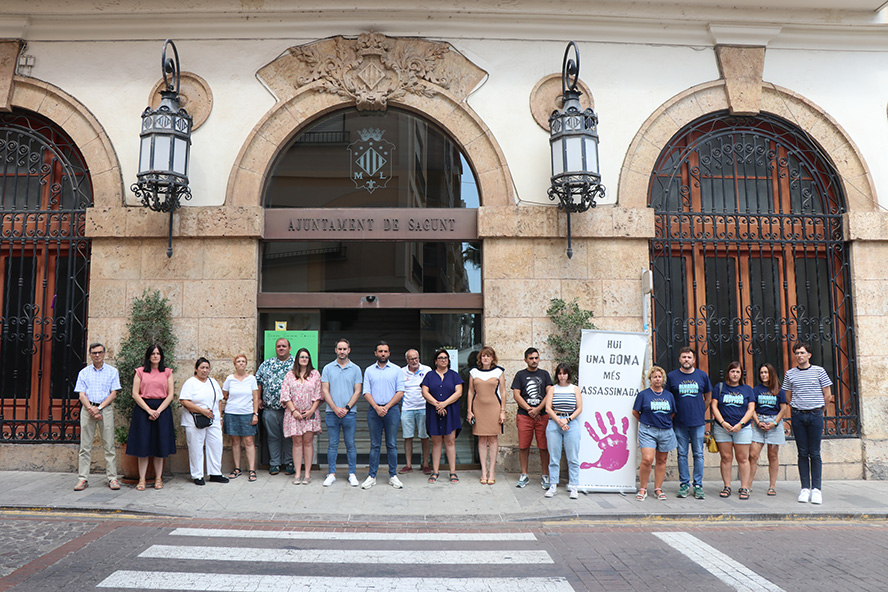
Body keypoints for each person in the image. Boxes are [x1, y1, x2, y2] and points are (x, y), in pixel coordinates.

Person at [783, 342, 833, 505]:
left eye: (802, 353)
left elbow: (827, 394)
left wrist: (820, 410)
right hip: (798, 415)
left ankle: (816, 489)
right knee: (802, 452)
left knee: (815, 453)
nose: (799, 356)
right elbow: (788, 396)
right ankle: (805, 488)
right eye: (797, 353)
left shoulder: (819, 371)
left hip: (815, 414)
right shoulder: (790, 374)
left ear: (809, 355)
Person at [126, 344, 176, 491]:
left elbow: (170, 394)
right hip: (143, 410)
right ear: (148, 356)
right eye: (153, 353)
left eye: (158, 353)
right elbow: (135, 393)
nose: (155, 356)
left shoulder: (167, 372)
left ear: (161, 356)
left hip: (162, 410)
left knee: (160, 445)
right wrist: (149, 410)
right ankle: (142, 479)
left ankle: (158, 478)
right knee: (143, 445)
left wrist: (158, 411)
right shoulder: (140, 372)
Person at [665, 346, 713, 499]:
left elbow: (708, 398)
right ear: (680, 359)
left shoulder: (702, 376)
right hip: (679, 422)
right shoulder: (672, 377)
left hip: (698, 422)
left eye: (689, 357)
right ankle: (684, 484)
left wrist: (699, 411)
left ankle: (698, 485)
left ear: (693, 360)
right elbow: (668, 398)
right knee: (682, 454)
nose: (686, 359)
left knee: (698, 453)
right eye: (684, 357)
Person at [73, 342, 121, 491]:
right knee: (85, 446)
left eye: (100, 352)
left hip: (104, 409)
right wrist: (91, 409)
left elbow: (114, 393)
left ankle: (112, 478)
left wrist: (99, 408)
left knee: (109, 445)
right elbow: (81, 394)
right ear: (90, 354)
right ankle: (83, 479)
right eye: (94, 353)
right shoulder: (84, 373)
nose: (97, 355)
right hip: (88, 409)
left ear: (104, 353)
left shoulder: (112, 371)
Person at [362, 341, 406, 489]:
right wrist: (376, 407)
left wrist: (386, 407)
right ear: (375, 353)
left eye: (385, 351)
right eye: (380, 351)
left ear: (389, 353)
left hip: (391, 410)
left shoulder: (397, 370)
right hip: (374, 410)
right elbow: (366, 392)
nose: (383, 354)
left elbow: (400, 392)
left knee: (392, 444)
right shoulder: (369, 370)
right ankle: (372, 476)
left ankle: (393, 475)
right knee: (375, 445)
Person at [179, 357, 229, 486]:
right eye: (202, 367)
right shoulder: (190, 383)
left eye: (207, 368)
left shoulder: (213, 382)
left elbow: (218, 400)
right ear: (196, 369)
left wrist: (219, 417)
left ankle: (215, 473)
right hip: (194, 420)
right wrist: (202, 411)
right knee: (196, 447)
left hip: (213, 419)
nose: (204, 370)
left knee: (216, 445)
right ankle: (198, 475)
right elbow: (184, 401)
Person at [321, 339, 362, 488]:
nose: (342, 351)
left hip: (350, 413)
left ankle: (352, 474)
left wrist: (346, 408)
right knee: (332, 444)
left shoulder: (356, 369)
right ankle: (331, 473)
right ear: (335, 350)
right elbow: (325, 390)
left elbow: (358, 391)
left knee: (350, 444)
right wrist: (335, 408)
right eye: (340, 349)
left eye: (345, 349)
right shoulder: (327, 368)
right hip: (332, 413)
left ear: (349, 350)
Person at [711, 361, 756, 500]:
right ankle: (727, 486)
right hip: (722, 428)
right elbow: (714, 406)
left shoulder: (747, 389)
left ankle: (744, 487)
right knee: (726, 458)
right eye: (732, 371)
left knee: (743, 458)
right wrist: (723, 422)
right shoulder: (719, 387)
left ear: (741, 374)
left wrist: (740, 424)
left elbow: (751, 409)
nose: (735, 374)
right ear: (728, 373)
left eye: (737, 372)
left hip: (742, 429)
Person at [632, 365, 676, 501]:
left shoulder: (669, 395)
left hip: (665, 431)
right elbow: (635, 412)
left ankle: (658, 488)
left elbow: (672, 413)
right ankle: (643, 488)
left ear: (663, 379)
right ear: (650, 379)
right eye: (654, 377)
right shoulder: (643, 395)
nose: (657, 379)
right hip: (648, 430)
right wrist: (647, 421)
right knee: (647, 459)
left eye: (659, 376)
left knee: (662, 460)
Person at [511, 347, 553, 489]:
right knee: (523, 446)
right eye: (531, 358)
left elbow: (549, 393)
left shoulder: (545, 374)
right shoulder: (520, 375)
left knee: (544, 447)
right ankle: (524, 474)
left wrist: (538, 409)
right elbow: (516, 395)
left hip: (542, 416)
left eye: (536, 358)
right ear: (525, 360)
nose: (534, 361)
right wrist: (529, 409)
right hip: (524, 415)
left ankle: (545, 475)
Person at [280, 348, 323, 485]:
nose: (304, 359)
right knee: (297, 443)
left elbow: (319, 394)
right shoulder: (290, 375)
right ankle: (298, 473)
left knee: (308, 443)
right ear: (297, 359)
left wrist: (311, 410)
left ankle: (308, 473)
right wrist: (293, 411)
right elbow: (285, 394)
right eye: (302, 357)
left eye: (307, 357)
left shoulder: (315, 374)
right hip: (294, 414)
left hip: (310, 413)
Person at [422, 348, 464, 484]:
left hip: (450, 411)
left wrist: (444, 404)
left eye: (445, 358)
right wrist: (437, 405)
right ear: (435, 361)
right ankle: (435, 471)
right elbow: (424, 392)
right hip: (434, 412)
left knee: (450, 441)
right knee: (436, 442)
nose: (443, 360)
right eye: (440, 358)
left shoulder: (454, 375)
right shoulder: (429, 375)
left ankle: (453, 472)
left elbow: (459, 392)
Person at [255, 338, 295, 476]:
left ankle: (290, 463)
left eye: (284, 346)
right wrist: (259, 398)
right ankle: (275, 464)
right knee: (273, 437)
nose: (281, 348)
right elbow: (258, 381)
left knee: (289, 437)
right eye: (278, 346)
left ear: (289, 348)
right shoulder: (267, 364)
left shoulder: (296, 363)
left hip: (290, 410)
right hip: (270, 408)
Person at [543, 362, 583, 499]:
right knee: (554, 457)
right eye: (559, 373)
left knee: (573, 457)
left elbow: (579, 408)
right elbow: (548, 408)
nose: (562, 376)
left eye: (564, 373)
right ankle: (553, 484)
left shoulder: (575, 389)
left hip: (570, 423)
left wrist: (568, 420)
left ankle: (574, 486)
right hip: (554, 423)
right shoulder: (553, 389)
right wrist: (559, 421)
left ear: (568, 374)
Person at [466, 346, 506, 485]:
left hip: (494, 407)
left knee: (493, 439)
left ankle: (492, 471)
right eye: (483, 355)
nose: (486, 358)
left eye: (488, 356)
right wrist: (469, 410)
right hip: (478, 408)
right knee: (482, 440)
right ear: (480, 358)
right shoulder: (473, 372)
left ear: (493, 358)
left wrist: (502, 411)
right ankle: (483, 471)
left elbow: (503, 392)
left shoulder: (499, 371)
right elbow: (470, 392)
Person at [748, 363, 789, 497]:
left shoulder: (779, 390)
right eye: (762, 373)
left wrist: (774, 423)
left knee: (772, 456)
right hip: (759, 421)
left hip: (774, 422)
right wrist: (758, 422)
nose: (764, 375)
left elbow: (783, 409)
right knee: (753, 455)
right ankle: (748, 485)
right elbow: (752, 408)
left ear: (771, 374)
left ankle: (772, 486)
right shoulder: (756, 390)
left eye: (766, 372)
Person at [222, 353, 260, 483]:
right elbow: (225, 395)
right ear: (234, 364)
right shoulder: (229, 379)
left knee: (249, 441)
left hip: (247, 413)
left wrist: (255, 413)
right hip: (232, 412)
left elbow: (255, 397)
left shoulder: (251, 379)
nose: (241, 363)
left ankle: (251, 469)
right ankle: (237, 468)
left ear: (246, 364)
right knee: (235, 441)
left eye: (243, 361)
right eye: (238, 361)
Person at [400, 349, 431, 475]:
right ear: (407, 360)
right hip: (407, 408)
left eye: (416, 358)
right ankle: (408, 465)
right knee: (408, 437)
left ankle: (425, 464)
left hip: (424, 407)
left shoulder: (427, 370)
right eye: (411, 359)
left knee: (425, 437)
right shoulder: (401, 372)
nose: (414, 361)